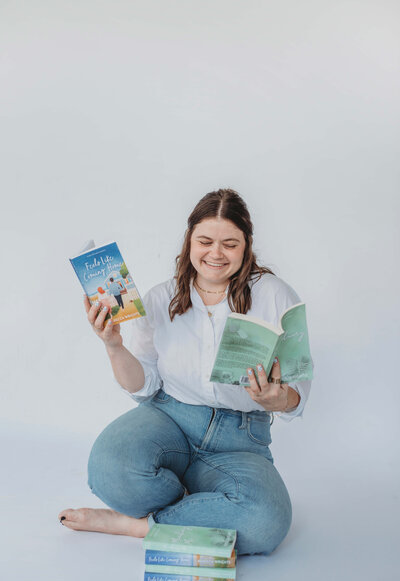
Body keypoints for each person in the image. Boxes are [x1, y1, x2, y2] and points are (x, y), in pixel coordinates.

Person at [58, 188, 312, 556]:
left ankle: (140, 525)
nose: (215, 253)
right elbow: (143, 386)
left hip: (240, 441)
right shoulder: (161, 298)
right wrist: (113, 346)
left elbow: (299, 388)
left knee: (267, 520)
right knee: (110, 467)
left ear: (247, 246)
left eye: (230, 244)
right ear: (189, 240)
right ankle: (200, 509)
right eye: (205, 241)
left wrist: (280, 398)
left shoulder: (274, 295)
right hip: (169, 420)